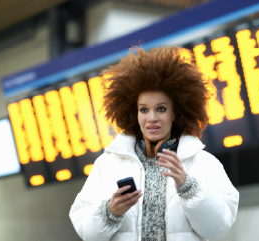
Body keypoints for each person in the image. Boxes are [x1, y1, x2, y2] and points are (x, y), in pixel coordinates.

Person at [69, 46, 239, 241]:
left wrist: (188, 187)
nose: (151, 118)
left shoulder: (204, 163)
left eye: (161, 109)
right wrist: (110, 212)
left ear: (175, 113)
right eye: (143, 110)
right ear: (134, 113)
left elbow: (217, 228)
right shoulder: (107, 164)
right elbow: (86, 232)